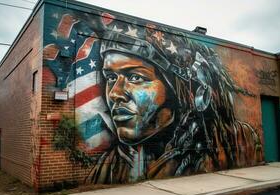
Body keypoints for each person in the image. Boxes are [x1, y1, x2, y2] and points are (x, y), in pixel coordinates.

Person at [85, 24, 263, 184]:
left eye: (135, 77)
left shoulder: (235, 137)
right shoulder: (111, 164)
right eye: (111, 77)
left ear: (176, 89)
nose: (115, 93)